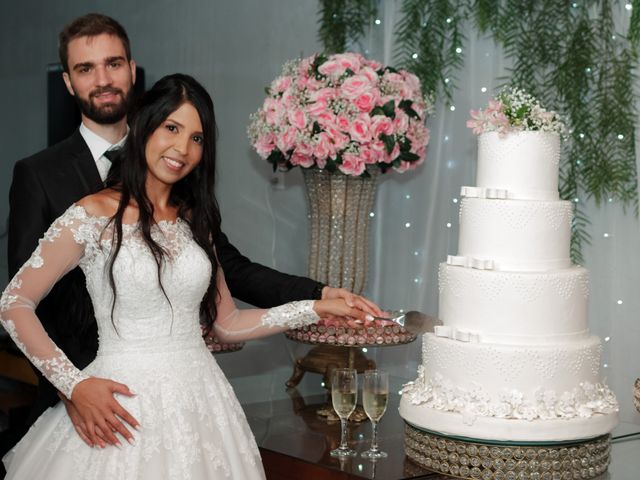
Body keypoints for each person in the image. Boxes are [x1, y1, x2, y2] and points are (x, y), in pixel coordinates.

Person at [6, 13, 379, 451]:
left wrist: (318, 300)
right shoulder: (54, 185)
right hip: (103, 395)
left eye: (196, 138)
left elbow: (231, 302)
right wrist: (73, 386)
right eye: (86, 68)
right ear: (69, 81)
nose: (181, 148)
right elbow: (21, 300)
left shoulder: (191, 211)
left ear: (132, 69)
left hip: (198, 400)